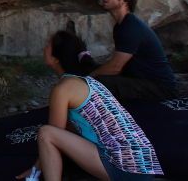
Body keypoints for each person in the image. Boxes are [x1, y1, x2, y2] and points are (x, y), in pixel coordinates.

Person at [17, 30, 164, 181]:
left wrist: (35, 169)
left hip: (124, 167)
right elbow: (67, 129)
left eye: (48, 45)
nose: (44, 48)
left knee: (46, 133)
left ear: (56, 58)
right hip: (143, 165)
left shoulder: (63, 89)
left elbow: (53, 135)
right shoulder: (87, 82)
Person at [92, 0, 177, 101]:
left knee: (97, 82)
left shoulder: (130, 26)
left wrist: (90, 77)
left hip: (159, 87)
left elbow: (115, 67)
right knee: (96, 71)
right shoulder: (120, 26)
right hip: (141, 79)